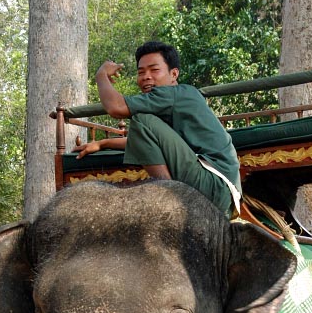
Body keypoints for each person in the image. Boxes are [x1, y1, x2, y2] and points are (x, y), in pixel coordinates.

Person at [73, 41, 242, 218]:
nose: (146, 76)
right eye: (141, 72)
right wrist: (103, 143)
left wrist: (101, 75)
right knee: (143, 121)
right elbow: (146, 141)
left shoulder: (173, 94)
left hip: (213, 183)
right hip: (224, 192)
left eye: (154, 70)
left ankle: (169, 201)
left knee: (141, 118)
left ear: (174, 74)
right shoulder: (178, 98)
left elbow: (116, 107)